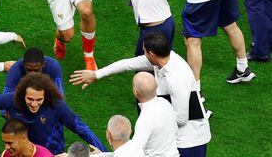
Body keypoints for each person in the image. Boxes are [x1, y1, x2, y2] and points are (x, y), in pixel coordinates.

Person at [70, 32, 211, 156]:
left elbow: (181, 119)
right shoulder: (161, 59)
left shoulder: (176, 78)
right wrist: (96, 74)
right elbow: (128, 64)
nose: (142, 54)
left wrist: (155, 122)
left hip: (190, 140)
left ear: (151, 53)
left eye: (144, 51)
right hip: (175, 138)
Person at [0, 73, 106, 155]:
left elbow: (82, 129)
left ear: (46, 96)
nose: (34, 104)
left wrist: (107, 153)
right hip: (23, 152)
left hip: (51, 154)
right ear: (22, 94)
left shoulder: (57, 105)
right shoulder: (11, 99)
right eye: (30, 99)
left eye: (39, 100)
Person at [130, 72, 179, 156]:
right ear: (156, 86)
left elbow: (136, 151)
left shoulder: (144, 119)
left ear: (136, 92)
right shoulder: (165, 103)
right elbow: (175, 130)